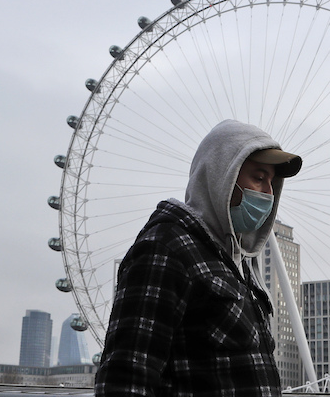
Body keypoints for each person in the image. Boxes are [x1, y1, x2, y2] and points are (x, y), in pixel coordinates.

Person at [94, 119, 302, 397]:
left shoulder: (235, 262)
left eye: (272, 182)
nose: (268, 192)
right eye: (259, 177)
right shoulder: (166, 248)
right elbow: (126, 377)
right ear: (222, 175)